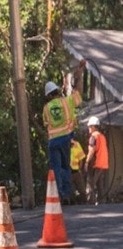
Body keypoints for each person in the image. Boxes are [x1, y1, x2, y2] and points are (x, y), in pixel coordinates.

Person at [42, 59, 85, 203]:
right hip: (66, 140)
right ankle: (66, 195)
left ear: (48, 95)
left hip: (53, 142)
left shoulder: (46, 108)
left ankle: (58, 195)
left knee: (55, 168)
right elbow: (78, 94)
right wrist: (79, 73)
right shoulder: (66, 102)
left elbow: (46, 123)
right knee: (66, 167)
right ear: (57, 91)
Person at [84, 116, 108, 205]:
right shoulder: (102, 136)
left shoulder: (93, 137)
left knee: (91, 184)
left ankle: (90, 203)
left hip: (95, 164)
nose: (89, 128)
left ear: (93, 126)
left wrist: (86, 162)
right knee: (100, 185)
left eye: (89, 126)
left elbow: (91, 150)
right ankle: (102, 203)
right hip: (103, 164)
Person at [69, 138, 86, 204]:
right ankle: (71, 203)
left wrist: (80, 169)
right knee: (70, 190)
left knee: (82, 190)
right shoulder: (63, 144)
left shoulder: (76, 144)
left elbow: (81, 159)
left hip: (76, 171)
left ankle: (84, 202)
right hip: (68, 172)